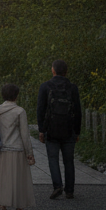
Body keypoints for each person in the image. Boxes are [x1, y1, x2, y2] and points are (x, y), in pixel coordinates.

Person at [37, 59, 83, 199]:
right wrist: (77, 131)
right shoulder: (72, 88)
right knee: (68, 160)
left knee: (53, 158)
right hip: (69, 129)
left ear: (53, 71)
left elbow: (41, 110)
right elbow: (78, 111)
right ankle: (70, 190)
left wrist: (41, 130)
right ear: (66, 72)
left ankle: (58, 186)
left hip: (51, 129)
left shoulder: (45, 87)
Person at [0, 83, 36, 210]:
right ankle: (20, 207)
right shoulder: (20, 111)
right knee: (19, 178)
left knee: (3, 177)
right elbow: (24, 134)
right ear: (16, 95)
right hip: (17, 149)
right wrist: (29, 153)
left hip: (2, 148)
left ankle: (2, 207)